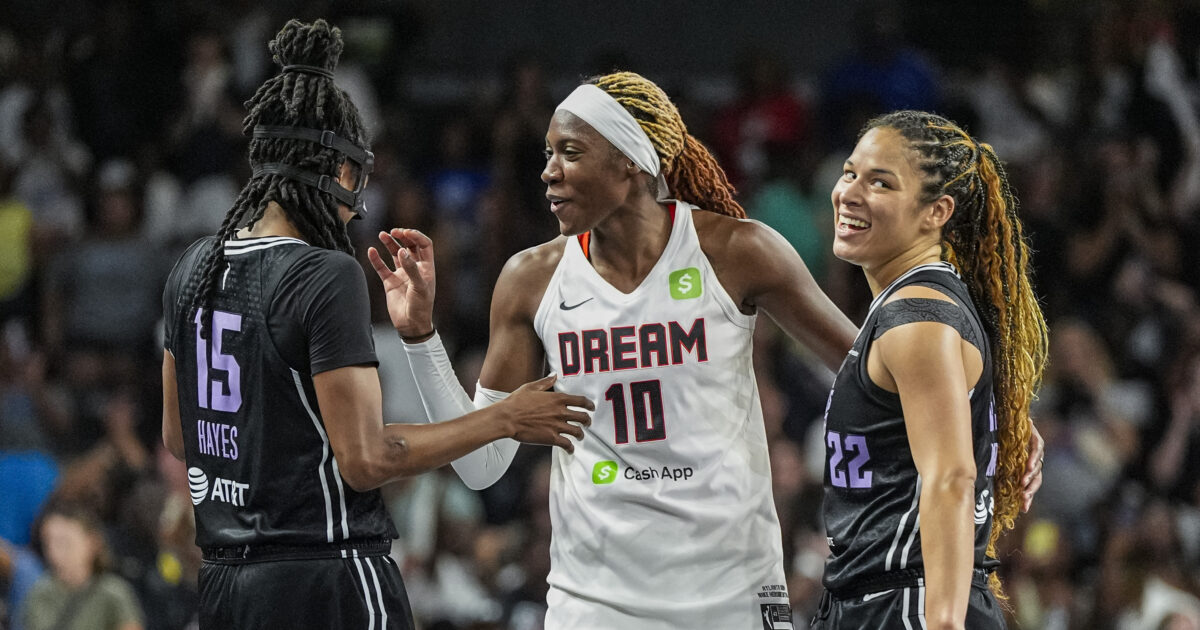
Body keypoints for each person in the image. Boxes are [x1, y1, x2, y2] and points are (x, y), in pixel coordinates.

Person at [371, 70, 863, 629]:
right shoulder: (531, 278)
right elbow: (481, 466)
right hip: (592, 603)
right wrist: (420, 336)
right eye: (548, 153)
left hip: (732, 594)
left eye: (570, 152)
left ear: (630, 161)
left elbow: (867, 371)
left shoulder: (738, 251)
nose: (548, 171)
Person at [159, 19, 592, 630]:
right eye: (355, 178)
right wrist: (505, 418)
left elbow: (180, 437)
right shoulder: (324, 272)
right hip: (325, 576)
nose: (355, 201)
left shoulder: (193, 266)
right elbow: (365, 460)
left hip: (226, 585)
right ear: (337, 170)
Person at [811, 111, 1049, 630]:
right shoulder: (917, 307)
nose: (850, 193)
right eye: (850, 173)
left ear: (936, 212)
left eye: (880, 183)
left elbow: (951, 478)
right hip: (881, 599)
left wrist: (942, 622)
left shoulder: (917, 316)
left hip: (907, 604)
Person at [21, 503, 144, 630]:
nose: (54, 553)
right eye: (48, 543)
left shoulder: (113, 593)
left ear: (92, 542)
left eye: (65, 542)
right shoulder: (40, 594)